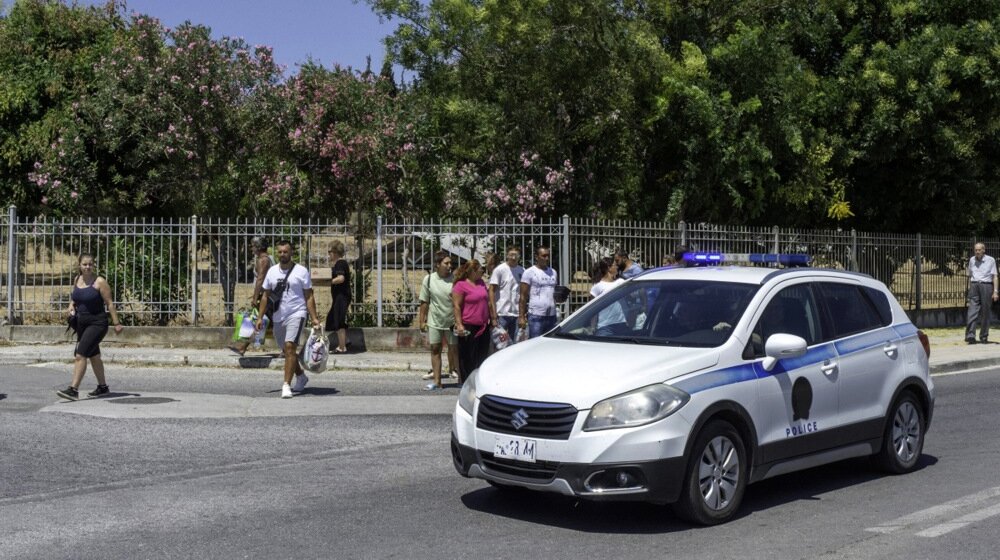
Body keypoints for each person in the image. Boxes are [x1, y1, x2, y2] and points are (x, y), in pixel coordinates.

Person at [255, 240, 321, 398]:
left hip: (297, 313)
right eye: (280, 252)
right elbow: (265, 295)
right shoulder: (272, 271)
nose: (283, 254)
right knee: (286, 350)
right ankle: (301, 376)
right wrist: (260, 317)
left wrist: (314, 318)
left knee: (290, 347)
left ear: (291, 253)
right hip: (278, 315)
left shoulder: (301, 271)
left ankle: (286, 385)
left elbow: (309, 295)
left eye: (286, 252)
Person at [56, 253, 124, 400]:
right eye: (85, 264)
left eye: (90, 264)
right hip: (82, 324)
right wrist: (70, 307)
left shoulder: (99, 282)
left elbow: (110, 303)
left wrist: (117, 323)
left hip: (97, 324)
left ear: (93, 265)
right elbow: (75, 299)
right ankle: (103, 387)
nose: (87, 267)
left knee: (81, 355)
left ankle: (73, 390)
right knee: (94, 356)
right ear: (79, 265)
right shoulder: (77, 279)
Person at [417, 251, 459, 390]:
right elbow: (424, 301)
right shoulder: (429, 279)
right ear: (437, 264)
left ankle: (461, 379)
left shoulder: (455, 280)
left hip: (452, 322)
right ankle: (437, 381)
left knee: (455, 350)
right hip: (435, 320)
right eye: (446, 263)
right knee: (435, 349)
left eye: (450, 263)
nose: (449, 266)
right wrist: (422, 321)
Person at [229, 236, 274, 355]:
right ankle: (242, 347)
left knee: (259, 320)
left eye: (253, 246)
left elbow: (260, 279)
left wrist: (255, 297)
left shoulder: (262, 260)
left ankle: (243, 347)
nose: (251, 248)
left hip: (264, 295)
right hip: (267, 294)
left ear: (259, 247)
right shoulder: (268, 258)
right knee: (261, 321)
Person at [452, 259, 494, 383]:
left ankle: (478, 382)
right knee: (467, 356)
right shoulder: (461, 285)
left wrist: (492, 319)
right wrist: (459, 324)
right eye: (480, 269)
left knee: (481, 356)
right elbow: (456, 306)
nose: (482, 271)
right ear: (472, 271)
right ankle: (466, 382)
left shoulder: (481, 283)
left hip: (482, 326)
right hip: (468, 326)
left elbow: (488, 302)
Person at [519, 246, 559, 338]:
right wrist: (521, 316)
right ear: (536, 257)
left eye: (548, 256)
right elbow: (523, 296)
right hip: (536, 315)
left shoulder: (553, 272)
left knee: (550, 344)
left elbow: (553, 292)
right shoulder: (529, 272)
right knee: (535, 344)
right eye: (544, 256)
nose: (547, 258)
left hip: (551, 315)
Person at [489, 246, 524, 344]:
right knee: (500, 344)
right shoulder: (499, 270)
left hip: (516, 313)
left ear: (519, 256)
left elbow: (523, 293)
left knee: (515, 344)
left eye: (516, 255)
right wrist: (493, 314)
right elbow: (491, 290)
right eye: (511, 255)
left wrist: (522, 314)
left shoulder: (522, 271)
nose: (513, 258)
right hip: (502, 313)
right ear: (507, 255)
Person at [966, 242, 998, 344]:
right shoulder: (972, 260)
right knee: (972, 311)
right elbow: (970, 275)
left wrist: (995, 291)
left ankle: (984, 336)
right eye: (975, 250)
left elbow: (995, 277)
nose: (977, 252)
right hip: (974, 285)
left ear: (984, 250)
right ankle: (970, 335)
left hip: (986, 286)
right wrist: (969, 288)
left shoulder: (991, 260)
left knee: (985, 312)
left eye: (979, 250)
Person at [325, 240, 351, 354]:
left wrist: (329, 281)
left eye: (329, 251)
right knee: (332, 319)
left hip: (342, 296)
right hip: (339, 296)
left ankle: (342, 347)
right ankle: (346, 340)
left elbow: (341, 278)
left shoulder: (340, 263)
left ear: (335, 252)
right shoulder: (339, 264)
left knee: (338, 320)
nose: (328, 254)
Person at [590, 256, 627, 336]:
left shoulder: (620, 282)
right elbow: (592, 309)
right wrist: (592, 327)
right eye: (615, 265)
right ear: (609, 268)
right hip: (604, 326)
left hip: (621, 324)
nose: (617, 267)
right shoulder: (597, 287)